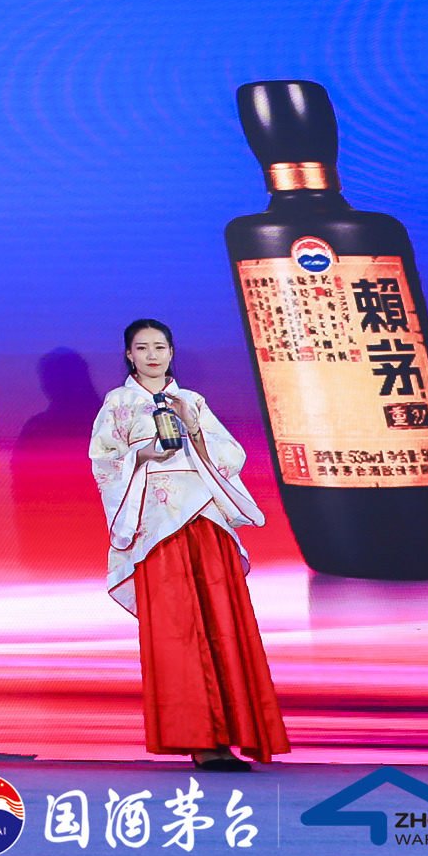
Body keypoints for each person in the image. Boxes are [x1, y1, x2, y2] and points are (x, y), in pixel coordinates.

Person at [90, 317, 289, 771]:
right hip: (157, 527)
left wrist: (194, 429)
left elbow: (232, 456)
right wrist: (142, 454)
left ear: (172, 352)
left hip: (204, 520)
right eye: (142, 348)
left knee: (223, 623)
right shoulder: (118, 403)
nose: (152, 355)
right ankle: (200, 738)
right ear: (129, 354)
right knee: (178, 629)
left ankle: (235, 734)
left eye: (160, 347)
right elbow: (103, 463)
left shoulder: (192, 401)